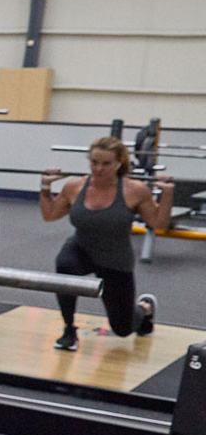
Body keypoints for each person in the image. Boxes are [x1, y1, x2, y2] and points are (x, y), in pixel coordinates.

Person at [39, 135, 171, 351]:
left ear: (119, 163)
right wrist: (45, 186)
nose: (99, 169)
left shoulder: (135, 190)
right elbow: (50, 215)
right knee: (64, 265)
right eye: (94, 162)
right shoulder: (74, 187)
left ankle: (144, 308)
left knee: (123, 329)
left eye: (106, 163)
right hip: (81, 249)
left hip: (115, 259)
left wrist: (167, 193)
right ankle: (69, 329)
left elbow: (159, 223)